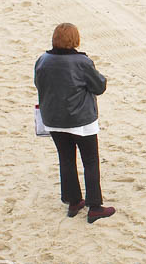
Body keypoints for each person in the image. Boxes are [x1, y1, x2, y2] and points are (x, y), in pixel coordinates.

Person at [34, 23, 115, 224]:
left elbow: (38, 83)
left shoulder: (42, 60)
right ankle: (94, 207)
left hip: (53, 119)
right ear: (75, 40)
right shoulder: (82, 62)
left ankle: (73, 202)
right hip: (80, 121)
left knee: (66, 160)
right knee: (90, 161)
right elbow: (99, 87)